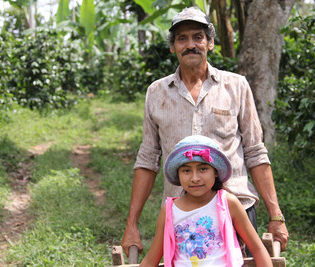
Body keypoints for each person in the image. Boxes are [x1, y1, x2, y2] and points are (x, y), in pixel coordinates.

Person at [121, 6, 289, 256]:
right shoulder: (156, 93)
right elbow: (147, 159)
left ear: (210, 43)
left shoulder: (236, 86)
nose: (191, 45)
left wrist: (276, 215)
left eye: (198, 37)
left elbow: (255, 153)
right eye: (182, 39)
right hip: (182, 215)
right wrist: (131, 224)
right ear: (173, 46)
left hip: (237, 210)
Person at [140, 135, 272, 267]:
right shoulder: (170, 210)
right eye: (186, 170)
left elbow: (258, 249)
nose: (195, 178)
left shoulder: (228, 203)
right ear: (178, 175)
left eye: (203, 169)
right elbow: (152, 259)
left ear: (215, 172)